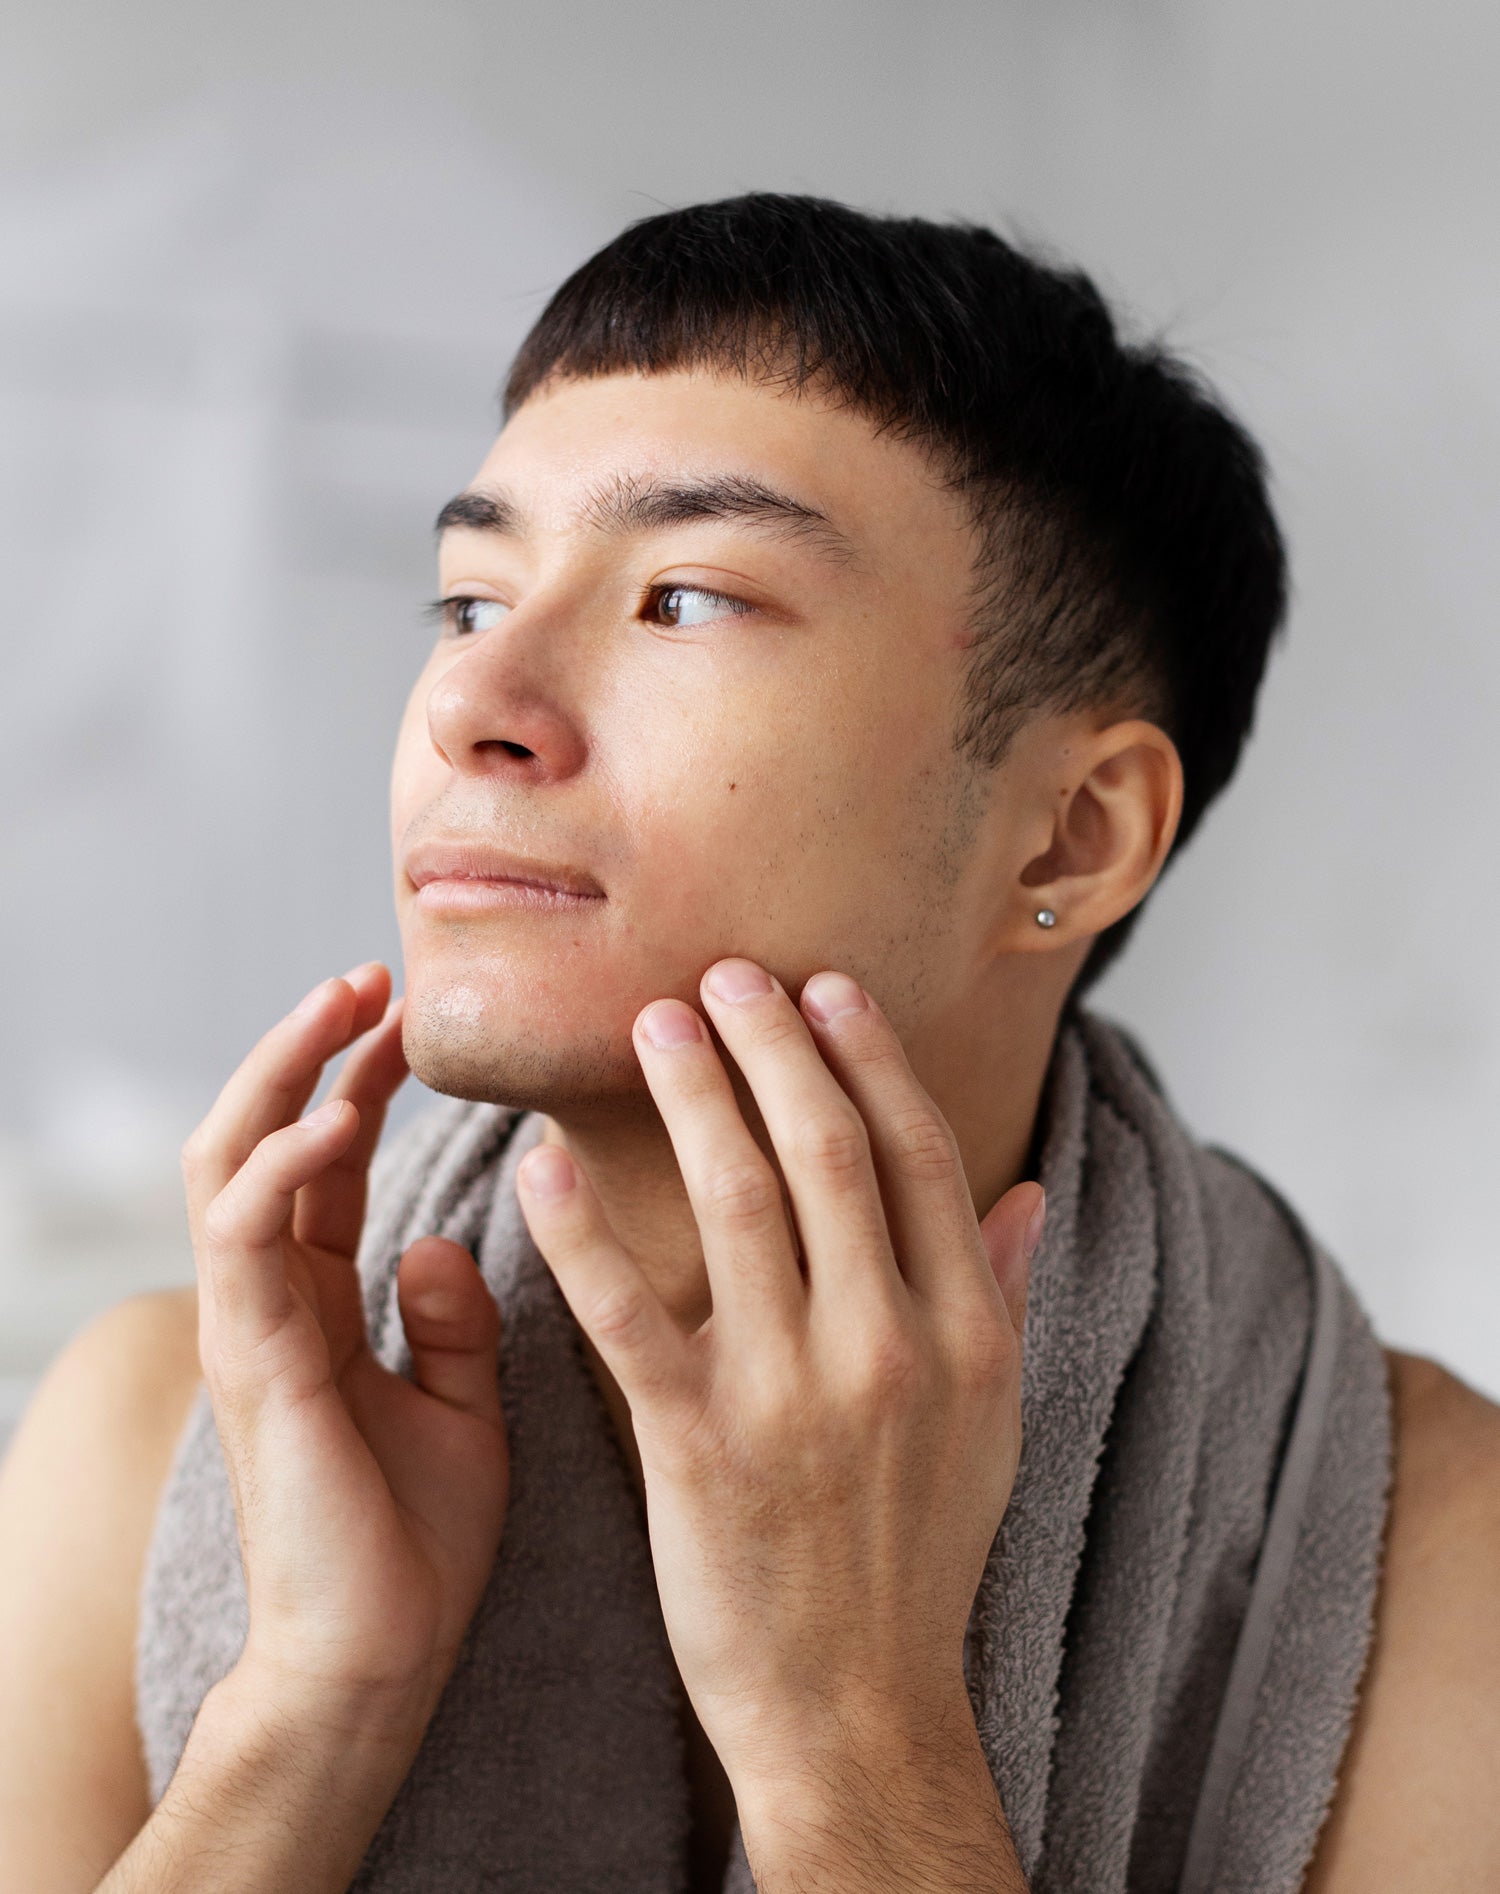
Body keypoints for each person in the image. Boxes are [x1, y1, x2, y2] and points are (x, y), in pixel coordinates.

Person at [1, 193, 1497, 1894]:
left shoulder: (1424, 1554)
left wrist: (853, 1738)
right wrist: (308, 1712)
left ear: (1073, 835)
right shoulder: (147, 1434)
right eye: (469, 600)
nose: (471, 703)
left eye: (688, 601)